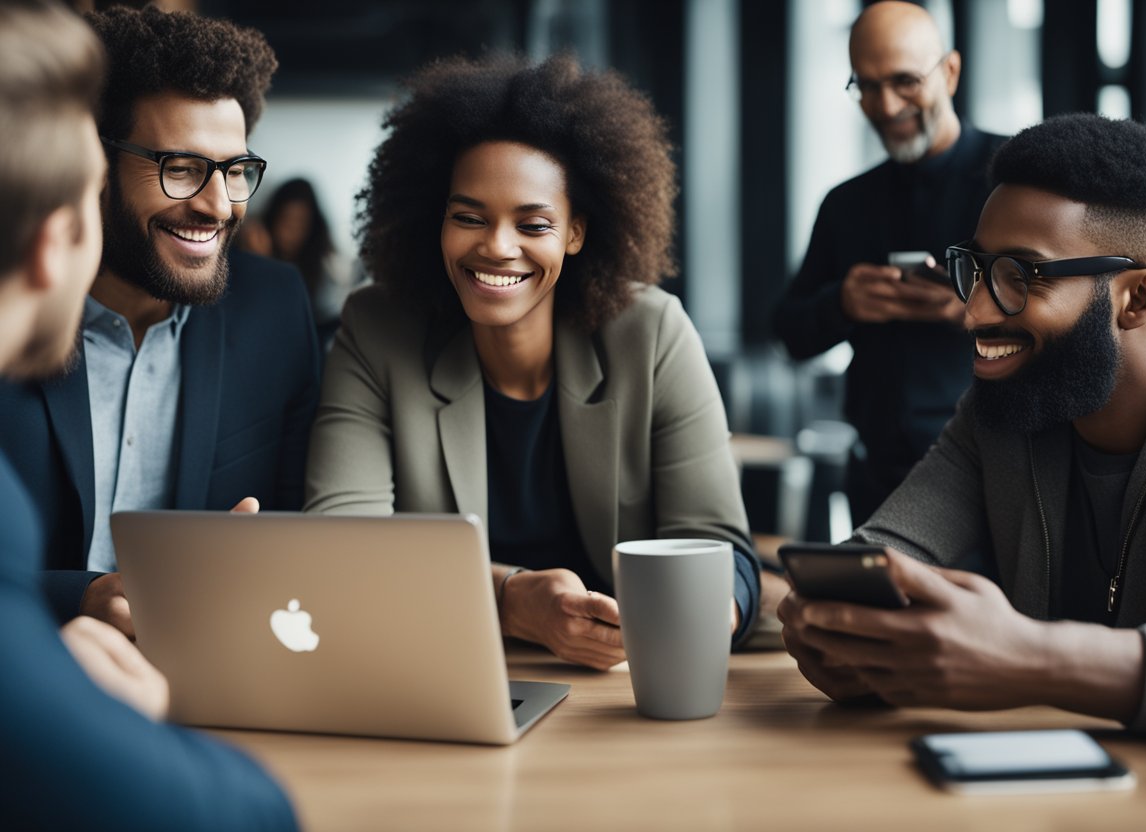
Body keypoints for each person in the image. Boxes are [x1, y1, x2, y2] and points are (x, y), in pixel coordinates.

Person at [305, 54, 761, 670]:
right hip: (442, 669)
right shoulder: (377, 331)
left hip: (630, 678)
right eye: (468, 217)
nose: (496, 246)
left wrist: (701, 614)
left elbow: (720, 552)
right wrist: (510, 601)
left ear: (575, 232)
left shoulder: (651, 334)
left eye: (533, 223)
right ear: (434, 220)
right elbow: (340, 551)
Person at [779, 113, 1146, 741]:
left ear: (1138, 299)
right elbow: (884, 553)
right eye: (978, 270)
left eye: (1021, 277)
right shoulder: (1008, 405)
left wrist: (1036, 661)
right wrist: (838, 627)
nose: (974, 313)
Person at [0, 2, 297, 828]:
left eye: (236, 171)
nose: (218, 203)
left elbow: (309, 522)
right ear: (89, 177)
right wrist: (89, 598)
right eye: (179, 166)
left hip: (225, 695)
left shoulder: (275, 313)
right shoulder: (21, 329)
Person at [774, 0, 1005, 522]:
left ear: (949, 72)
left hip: (995, 473)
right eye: (868, 86)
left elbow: (1069, 314)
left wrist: (972, 311)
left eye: (904, 81)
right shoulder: (846, 202)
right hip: (877, 477)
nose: (886, 104)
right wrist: (843, 302)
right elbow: (788, 329)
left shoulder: (1012, 182)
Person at [242, 177, 364, 348]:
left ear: (312, 226)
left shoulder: (324, 268)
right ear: (274, 218)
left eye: (300, 222)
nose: (292, 231)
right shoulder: (257, 252)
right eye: (286, 220)